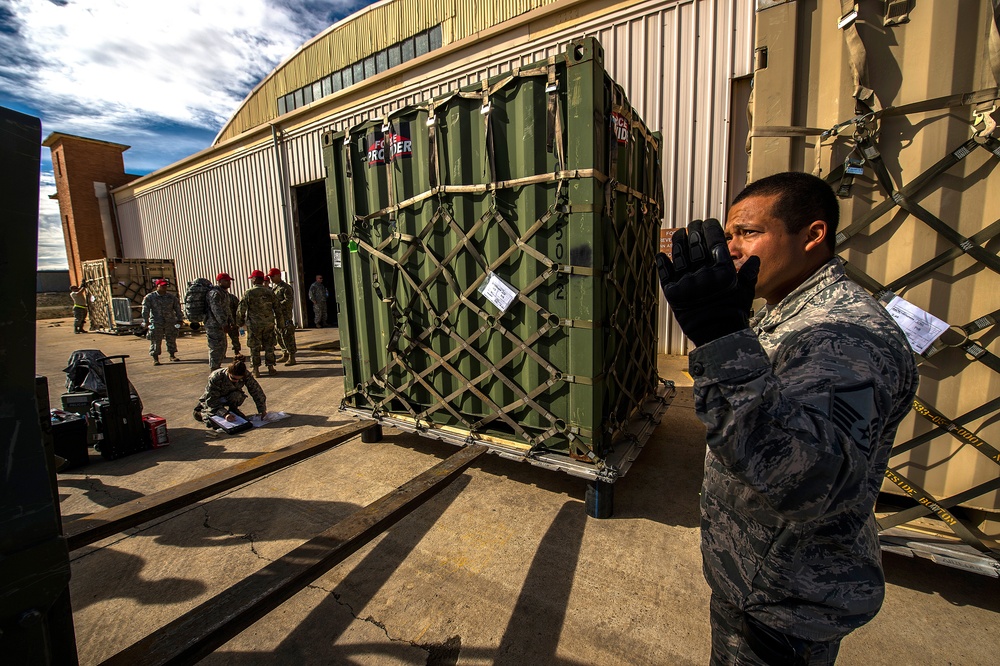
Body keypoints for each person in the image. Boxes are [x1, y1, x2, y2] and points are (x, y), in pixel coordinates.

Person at [656, 172, 918, 665]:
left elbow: (804, 482)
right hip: (755, 581)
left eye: (749, 233)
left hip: (783, 604)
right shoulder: (787, 312)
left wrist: (720, 341)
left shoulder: (842, 338)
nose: (731, 248)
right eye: (729, 234)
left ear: (813, 236)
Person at [193, 353, 267, 434]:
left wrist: (262, 410)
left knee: (237, 395)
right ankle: (201, 413)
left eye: (239, 379)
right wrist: (224, 414)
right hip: (213, 401)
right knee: (213, 423)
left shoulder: (246, 374)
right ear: (228, 371)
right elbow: (211, 401)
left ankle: (233, 410)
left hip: (229, 396)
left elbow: (256, 391)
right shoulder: (216, 377)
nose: (236, 381)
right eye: (233, 378)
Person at [237, 269, 281, 377]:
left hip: (254, 325)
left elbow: (241, 309)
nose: (251, 280)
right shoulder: (270, 292)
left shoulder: (249, 293)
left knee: (254, 347)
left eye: (252, 278)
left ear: (255, 279)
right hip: (268, 324)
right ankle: (271, 368)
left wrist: (240, 322)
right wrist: (280, 323)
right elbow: (278, 309)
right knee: (269, 346)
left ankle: (256, 370)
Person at [141, 279, 183, 366]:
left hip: (170, 321)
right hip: (156, 322)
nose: (164, 287)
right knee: (156, 340)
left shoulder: (171, 297)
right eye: (162, 285)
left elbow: (177, 309)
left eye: (165, 286)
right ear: (157, 286)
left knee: (171, 338)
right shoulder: (150, 297)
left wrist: (180, 319)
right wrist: (146, 321)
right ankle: (155, 358)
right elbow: (145, 310)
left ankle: (172, 355)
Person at [204, 272, 237, 371]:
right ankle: (214, 368)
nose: (229, 283)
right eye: (226, 281)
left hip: (221, 325)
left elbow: (227, 309)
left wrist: (231, 321)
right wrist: (224, 323)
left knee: (222, 346)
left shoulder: (224, 293)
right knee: (215, 347)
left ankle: (217, 365)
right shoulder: (215, 293)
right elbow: (216, 310)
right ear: (219, 281)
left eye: (229, 281)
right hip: (213, 325)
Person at [267, 267, 298, 366]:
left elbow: (288, 302)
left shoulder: (286, 288)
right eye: (270, 277)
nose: (271, 278)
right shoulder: (274, 288)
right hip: (277, 317)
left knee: (287, 336)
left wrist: (276, 305)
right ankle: (285, 353)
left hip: (285, 317)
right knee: (279, 336)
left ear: (278, 276)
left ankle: (291, 356)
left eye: (272, 276)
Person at [227, 289, 242, 359]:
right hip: (229, 320)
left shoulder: (232, 298)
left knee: (234, 337)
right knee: (234, 337)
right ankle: (236, 350)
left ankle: (237, 350)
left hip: (231, 321)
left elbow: (238, 309)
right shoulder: (232, 297)